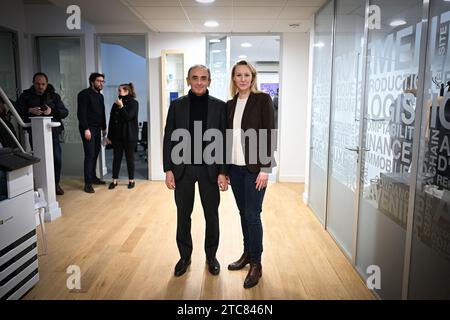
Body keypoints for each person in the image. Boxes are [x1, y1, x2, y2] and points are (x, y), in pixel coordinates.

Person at [163, 64, 228, 277]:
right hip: (183, 170)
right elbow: (169, 138)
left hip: (210, 170)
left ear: (209, 81)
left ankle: (211, 257)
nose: (199, 81)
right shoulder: (177, 106)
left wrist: (222, 171)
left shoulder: (220, 107)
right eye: (195, 78)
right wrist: (168, 169)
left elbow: (225, 141)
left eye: (203, 78)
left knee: (212, 215)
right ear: (188, 80)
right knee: (183, 215)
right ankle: (184, 256)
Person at [226, 60, 275, 289]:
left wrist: (266, 168)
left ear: (253, 78)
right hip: (235, 169)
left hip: (255, 169)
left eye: (247, 75)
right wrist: (224, 171)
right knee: (242, 213)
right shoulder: (230, 104)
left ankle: (257, 262)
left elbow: (269, 133)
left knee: (253, 214)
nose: (243, 79)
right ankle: (247, 253)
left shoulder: (263, 100)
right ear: (234, 79)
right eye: (239, 75)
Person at [16, 72, 69, 195]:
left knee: (57, 159)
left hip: (53, 133)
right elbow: (16, 109)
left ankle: (55, 185)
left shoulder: (54, 96)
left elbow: (65, 112)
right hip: (35, 134)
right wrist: (29, 110)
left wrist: (52, 111)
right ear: (33, 83)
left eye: (43, 84)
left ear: (47, 83)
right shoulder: (26, 95)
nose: (40, 87)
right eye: (38, 84)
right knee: (39, 160)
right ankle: (41, 186)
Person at [77, 72, 107, 193]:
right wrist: (86, 129)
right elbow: (81, 113)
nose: (101, 83)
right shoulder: (84, 94)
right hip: (88, 129)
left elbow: (102, 112)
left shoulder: (100, 96)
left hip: (97, 128)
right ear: (92, 82)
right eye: (99, 81)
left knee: (95, 153)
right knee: (89, 155)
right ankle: (87, 183)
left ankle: (93, 177)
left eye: (102, 81)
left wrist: (104, 127)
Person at [107, 83, 139, 189]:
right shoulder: (115, 104)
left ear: (127, 91)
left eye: (120, 90)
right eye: (118, 90)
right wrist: (109, 136)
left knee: (130, 159)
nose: (118, 92)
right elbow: (111, 121)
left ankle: (131, 180)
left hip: (129, 137)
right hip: (117, 137)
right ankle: (114, 181)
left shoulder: (134, 103)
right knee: (117, 158)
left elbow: (128, 117)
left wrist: (121, 107)